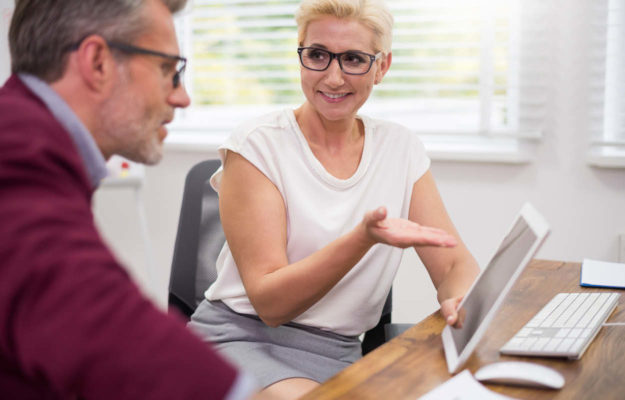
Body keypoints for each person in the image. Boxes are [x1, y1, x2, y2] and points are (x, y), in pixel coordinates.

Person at [187, 0, 481, 398]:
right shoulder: (257, 146)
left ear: (382, 67)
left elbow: (452, 262)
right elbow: (271, 305)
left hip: (339, 352)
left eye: (354, 59)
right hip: (241, 339)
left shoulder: (400, 148)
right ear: (301, 55)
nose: (334, 77)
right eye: (318, 56)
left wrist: (460, 300)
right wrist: (362, 239)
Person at [0, 0, 267, 399]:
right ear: (98, 63)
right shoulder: (17, 151)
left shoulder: (28, 134)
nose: (182, 98)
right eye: (167, 70)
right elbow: (90, 316)